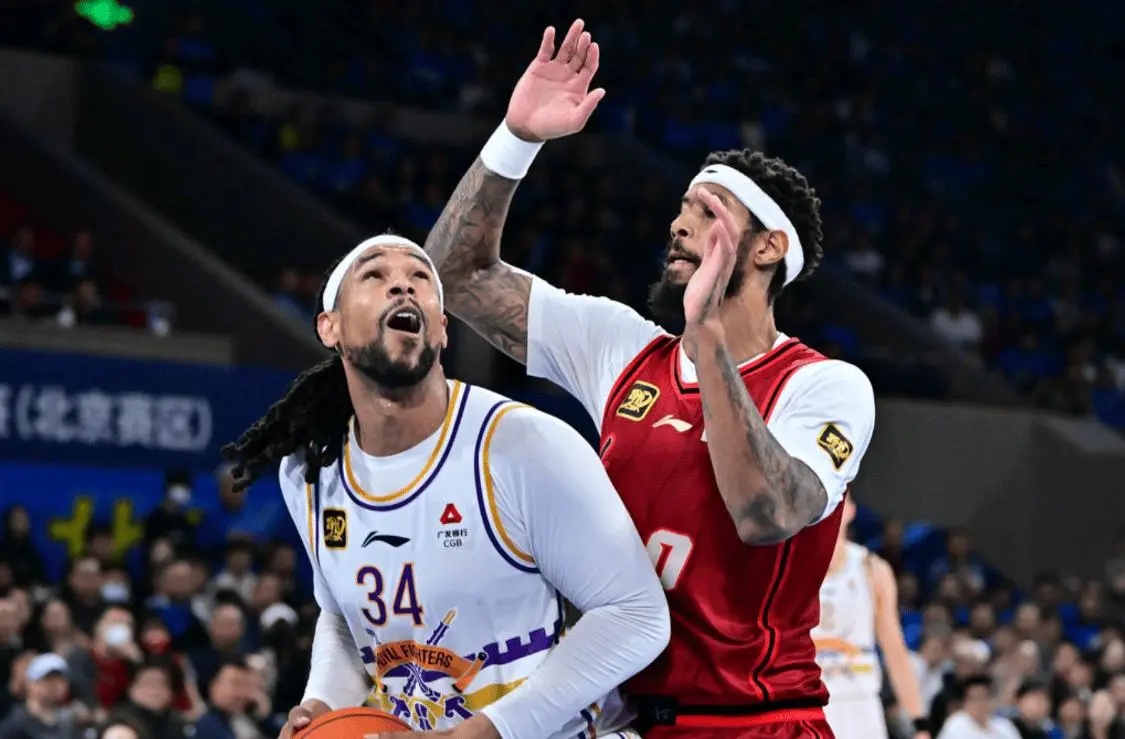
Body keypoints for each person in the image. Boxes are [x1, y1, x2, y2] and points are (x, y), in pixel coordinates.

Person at [421, 17, 875, 738]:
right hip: (621, 718)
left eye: (707, 211)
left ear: (768, 247)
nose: (678, 224)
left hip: (754, 722)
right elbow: (451, 276)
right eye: (681, 207)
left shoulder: (825, 386)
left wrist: (708, 334)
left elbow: (766, 515)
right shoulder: (619, 346)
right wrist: (515, 139)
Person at [222, 234, 669, 739]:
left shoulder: (523, 445)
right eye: (375, 274)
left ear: (442, 328)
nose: (402, 286)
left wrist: (491, 729)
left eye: (420, 277)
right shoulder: (310, 470)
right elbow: (345, 619)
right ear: (331, 327)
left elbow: (637, 615)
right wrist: (321, 704)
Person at [812, 495, 929, 739]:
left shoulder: (871, 567)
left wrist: (919, 723)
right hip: (807, 700)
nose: (830, 509)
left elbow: (894, 649)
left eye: (838, 500)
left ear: (851, 510)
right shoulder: (787, 566)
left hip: (860, 701)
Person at [935, 674, 1019, 739]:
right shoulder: (956, 724)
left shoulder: (1004, 725)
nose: (979, 704)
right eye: (974, 698)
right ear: (965, 702)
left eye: (983, 698)